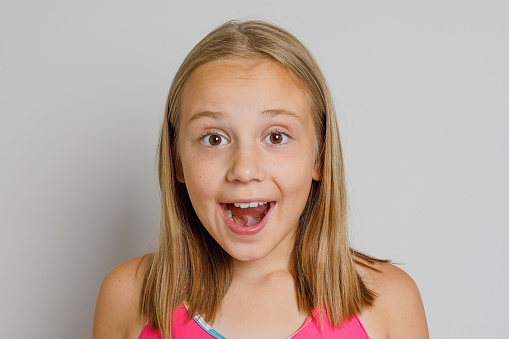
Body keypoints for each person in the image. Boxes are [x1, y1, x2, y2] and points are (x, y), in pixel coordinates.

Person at [93, 20, 429, 339]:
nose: (245, 169)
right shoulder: (128, 296)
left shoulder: (387, 301)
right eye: (214, 139)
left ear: (321, 157)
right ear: (177, 161)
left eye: (276, 137)